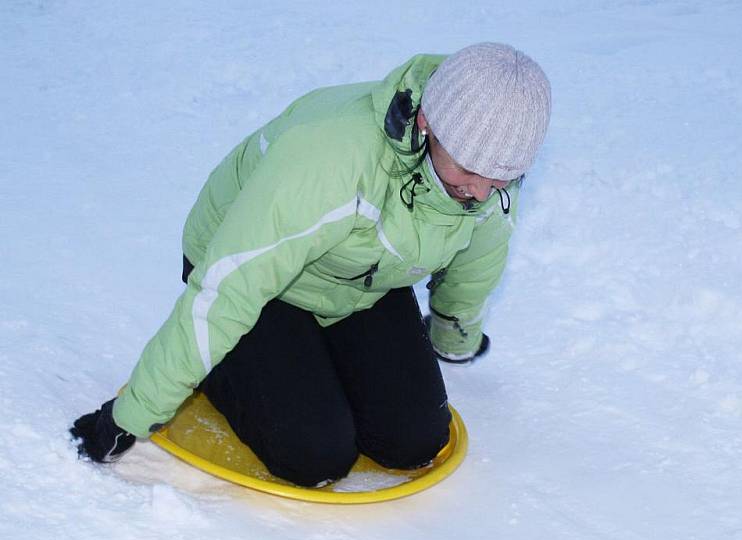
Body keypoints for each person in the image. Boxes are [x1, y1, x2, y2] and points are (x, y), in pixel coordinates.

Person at [70, 42, 551, 487]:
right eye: (469, 170)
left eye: (503, 177)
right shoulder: (332, 158)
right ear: (426, 122)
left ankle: (310, 357)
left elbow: (479, 260)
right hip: (257, 281)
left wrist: (453, 335)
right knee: (316, 454)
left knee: (416, 440)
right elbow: (232, 287)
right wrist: (129, 417)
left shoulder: (487, 170)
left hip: (357, 281)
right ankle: (224, 368)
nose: (483, 192)